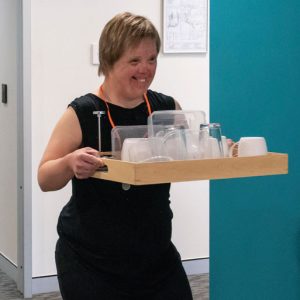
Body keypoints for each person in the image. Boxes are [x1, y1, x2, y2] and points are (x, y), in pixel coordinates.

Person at [38, 12, 193, 300]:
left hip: (154, 255)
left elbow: (189, 156)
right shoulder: (82, 112)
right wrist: (70, 162)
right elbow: (45, 178)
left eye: (152, 59)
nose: (145, 69)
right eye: (134, 61)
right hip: (90, 260)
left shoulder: (167, 108)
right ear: (109, 61)